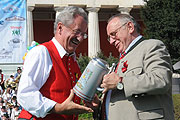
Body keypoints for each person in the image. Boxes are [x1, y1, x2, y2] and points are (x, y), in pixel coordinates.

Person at [17, 6, 97, 120]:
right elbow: (25, 94)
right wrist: (57, 108)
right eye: (77, 32)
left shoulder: (72, 60)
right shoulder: (42, 52)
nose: (80, 39)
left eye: (83, 34)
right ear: (60, 28)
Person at [100, 13, 174, 120]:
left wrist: (121, 82)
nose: (111, 41)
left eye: (113, 34)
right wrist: (100, 105)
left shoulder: (152, 46)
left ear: (130, 27)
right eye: (109, 38)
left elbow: (161, 80)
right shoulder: (121, 59)